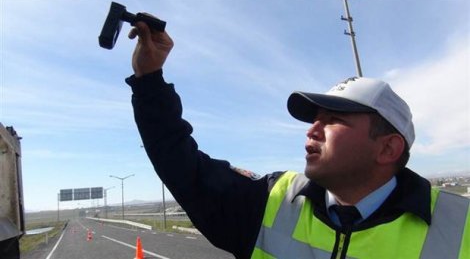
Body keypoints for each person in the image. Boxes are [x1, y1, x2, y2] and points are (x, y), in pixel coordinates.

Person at [125, 19, 470, 259]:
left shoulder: (460, 226)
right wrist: (149, 79)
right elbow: (181, 165)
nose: (312, 129)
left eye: (333, 120)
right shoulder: (274, 203)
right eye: (314, 119)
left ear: (388, 148)